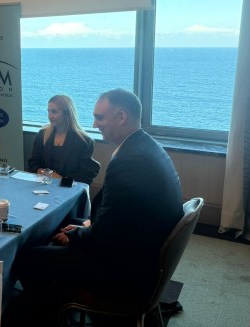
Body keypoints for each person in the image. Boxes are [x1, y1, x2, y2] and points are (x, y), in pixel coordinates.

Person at [14, 89, 183, 306]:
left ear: (121, 117)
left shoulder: (128, 162)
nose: (94, 125)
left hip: (125, 271)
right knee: (65, 223)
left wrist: (76, 236)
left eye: (99, 118)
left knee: (27, 257)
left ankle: (50, 311)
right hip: (142, 247)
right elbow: (118, 217)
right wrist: (85, 227)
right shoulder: (147, 146)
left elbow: (105, 235)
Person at [27, 94, 100, 184]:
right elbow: (32, 164)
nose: (50, 116)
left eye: (54, 112)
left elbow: (86, 174)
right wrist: (47, 173)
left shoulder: (83, 141)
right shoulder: (42, 135)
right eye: (48, 111)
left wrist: (60, 179)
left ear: (67, 114)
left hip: (69, 188)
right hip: (42, 185)